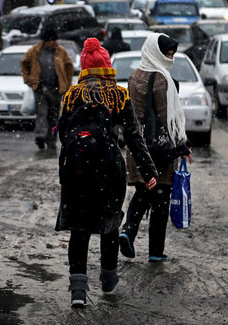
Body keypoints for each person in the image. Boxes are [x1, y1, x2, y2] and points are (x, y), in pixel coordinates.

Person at [55, 37, 158, 307]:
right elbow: (135, 138)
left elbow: (63, 135)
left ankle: (78, 289)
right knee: (110, 224)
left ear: (84, 67)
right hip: (108, 171)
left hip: (76, 171)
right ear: (107, 66)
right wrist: (148, 172)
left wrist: (81, 152)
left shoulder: (71, 96)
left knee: (79, 228)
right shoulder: (119, 95)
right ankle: (108, 277)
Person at [119, 33, 192, 263]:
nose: (170, 58)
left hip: (137, 143)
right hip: (158, 148)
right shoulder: (161, 80)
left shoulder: (134, 75)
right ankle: (155, 252)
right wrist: (181, 145)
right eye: (166, 54)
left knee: (142, 191)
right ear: (156, 52)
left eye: (171, 54)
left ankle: (127, 232)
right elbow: (167, 118)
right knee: (160, 198)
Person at [20, 28, 74, 150]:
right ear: (45, 41)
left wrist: (67, 85)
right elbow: (24, 64)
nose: (55, 42)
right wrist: (28, 79)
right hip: (40, 88)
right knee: (42, 113)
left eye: (56, 39)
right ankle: (40, 136)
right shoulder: (35, 51)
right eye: (52, 40)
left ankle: (51, 140)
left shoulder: (61, 52)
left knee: (54, 115)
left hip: (56, 89)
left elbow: (69, 67)